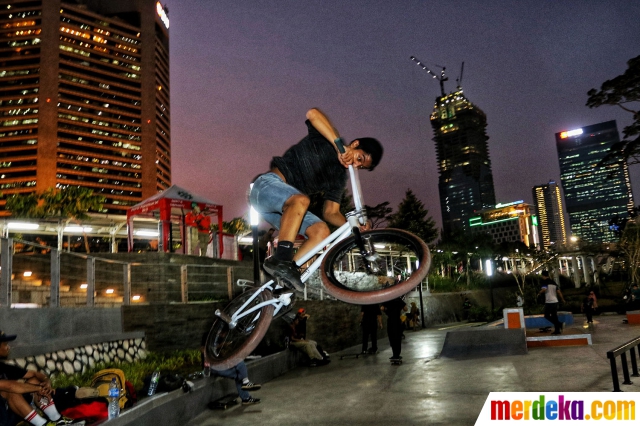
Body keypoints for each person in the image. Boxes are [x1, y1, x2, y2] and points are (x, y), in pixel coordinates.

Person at [249, 108, 383, 290]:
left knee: (321, 232)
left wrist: (354, 227)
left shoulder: (339, 177)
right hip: (266, 187)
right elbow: (313, 114)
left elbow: (331, 212)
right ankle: (280, 259)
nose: (356, 164)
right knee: (302, 200)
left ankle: (281, 285)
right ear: (355, 144)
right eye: (359, 157)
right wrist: (337, 145)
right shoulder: (328, 139)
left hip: (285, 209)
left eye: (361, 165)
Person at [0, 331, 85, 426]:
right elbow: (10, 386)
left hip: (12, 410)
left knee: (33, 381)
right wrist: (39, 388)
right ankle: (42, 424)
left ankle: (57, 420)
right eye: (5, 344)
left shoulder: (3, 367)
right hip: (2, 419)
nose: (8, 347)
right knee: (11, 391)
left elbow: (35, 374)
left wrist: (46, 383)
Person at [200, 334, 261, 405]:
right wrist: (219, 346)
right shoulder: (208, 336)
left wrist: (226, 349)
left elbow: (222, 355)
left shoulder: (220, 338)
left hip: (220, 365)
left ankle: (246, 397)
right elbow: (202, 350)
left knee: (239, 370)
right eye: (224, 334)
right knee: (240, 372)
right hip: (212, 367)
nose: (223, 336)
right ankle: (246, 387)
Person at [537, 270, 566, 335]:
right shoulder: (554, 282)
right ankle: (557, 330)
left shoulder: (545, 282)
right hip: (555, 301)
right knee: (554, 316)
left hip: (549, 301)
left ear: (543, 275)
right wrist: (562, 299)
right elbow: (559, 292)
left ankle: (559, 324)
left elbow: (544, 289)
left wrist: (539, 293)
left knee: (546, 315)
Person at [381, 297, 408, 362]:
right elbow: (405, 309)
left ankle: (394, 354)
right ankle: (397, 354)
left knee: (391, 337)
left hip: (390, 320)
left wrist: (386, 309)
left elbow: (381, 308)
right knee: (397, 337)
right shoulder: (398, 299)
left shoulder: (386, 299)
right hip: (397, 320)